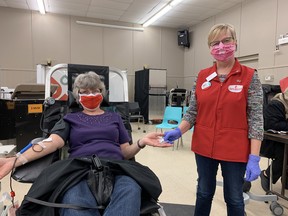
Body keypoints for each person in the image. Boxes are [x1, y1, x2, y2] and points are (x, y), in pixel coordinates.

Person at [0, 71, 171, 216]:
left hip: (117, 168)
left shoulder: (115, 117)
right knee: (74, 201)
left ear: (101, 93)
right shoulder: (70, 118)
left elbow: (125, 152)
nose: (90, 95)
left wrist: (141, 142)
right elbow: (51, 143)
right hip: (79, 170)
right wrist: (15, 159)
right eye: (85, 91)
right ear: (77, 95)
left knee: (131, 190)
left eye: (94, 90)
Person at [163, 23, 264, 216]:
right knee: (203, 192)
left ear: (235, 43)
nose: (221, 46)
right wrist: (179, 130)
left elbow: (256, 120)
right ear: (210, 48)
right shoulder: (202, 77)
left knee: (234, 197)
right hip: (204, 146)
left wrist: (254, 157)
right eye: (215, 43)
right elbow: (193, 112)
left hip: (235, 149)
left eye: (226, 41)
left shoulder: (250, 76)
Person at [260, 76, 288, 192]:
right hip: (273, 140)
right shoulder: (277, 104)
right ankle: (266, 174)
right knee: (286, 154)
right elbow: (271, 124)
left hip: (284, 138)